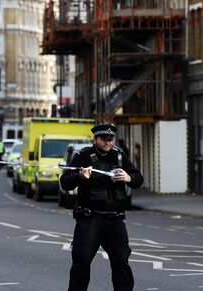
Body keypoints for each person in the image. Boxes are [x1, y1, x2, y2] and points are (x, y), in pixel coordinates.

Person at [60, 124, 144, 291]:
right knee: (81, 261)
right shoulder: (83, 156)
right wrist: (80, 176)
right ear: (95, 139)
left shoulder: (119, 156)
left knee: (121, 261)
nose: (107, 143)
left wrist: (128, 177)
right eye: (104, 139)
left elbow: (138, 179)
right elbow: (65, 182)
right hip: (90, 219)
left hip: (115, 219)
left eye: (110, 139)